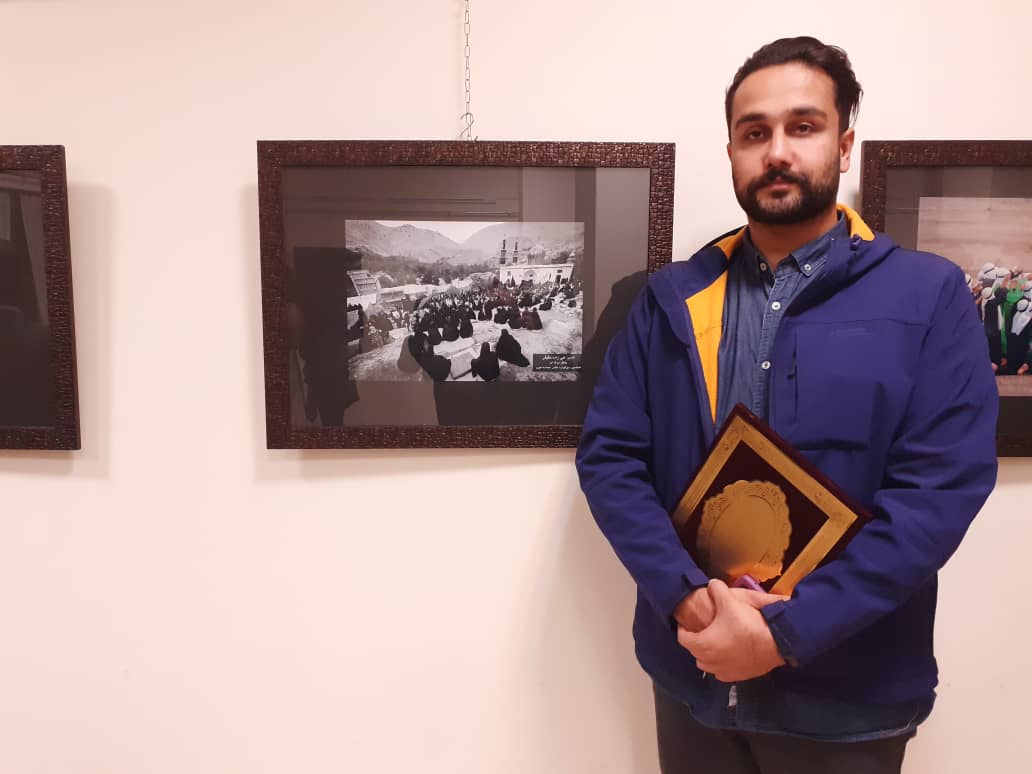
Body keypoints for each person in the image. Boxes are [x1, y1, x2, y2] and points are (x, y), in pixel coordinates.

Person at [575, 36, 998, 774]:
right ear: (731, 152)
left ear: (844, 145)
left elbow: (938, 491)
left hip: (849, 703)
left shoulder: (929, 296)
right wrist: (689, 602)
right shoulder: (669, 298)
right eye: (754, 133)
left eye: (803, 126)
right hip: (692, 679)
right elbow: (611, 459)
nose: (776, 151)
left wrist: (784, 634)